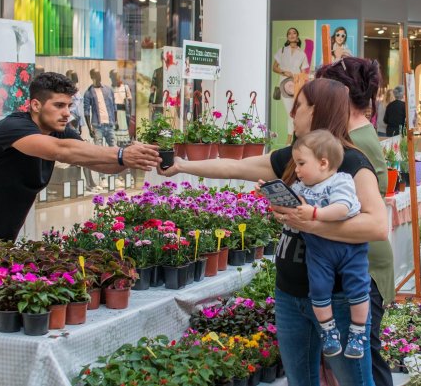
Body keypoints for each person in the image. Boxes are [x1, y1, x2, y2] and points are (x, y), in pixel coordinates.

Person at [160, 78, 386, 386]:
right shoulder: (296, 159)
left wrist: (310, 221)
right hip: (289, 294)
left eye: (298, 106)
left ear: (317, 111)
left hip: (338, 298)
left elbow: (377, 225)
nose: (293, 115)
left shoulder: (351, 163)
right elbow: (234, 167)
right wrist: (183, 166)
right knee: (300, 380)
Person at [0, 73, 161, 248]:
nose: (67, 112)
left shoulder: (61, 130)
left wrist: (133, 159)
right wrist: (121, 153)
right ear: (35, 104)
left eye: (69, 105)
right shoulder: (11, 128)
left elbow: (97, 162)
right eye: (59, 105)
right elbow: (59, 150)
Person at [316, 57, 394, 386]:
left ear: (341, 94)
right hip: (360, 263)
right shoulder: (354, 133)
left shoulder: (352, 142)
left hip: (361, 267)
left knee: (363, 364)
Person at [283, 129, 369, 360]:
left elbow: (341, 208)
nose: (297, 169)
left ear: (323, 163)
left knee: (358, 288)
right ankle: (328, 330)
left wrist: (314, 212)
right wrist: (274, 195)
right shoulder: (301, 188)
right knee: (319, 290)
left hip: (350, 249)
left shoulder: (340, 181)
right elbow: (291, 206)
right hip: (318, 251)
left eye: (301, 163)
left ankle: (358, 332)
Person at [273, 27, 310, 135]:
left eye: (294, 33)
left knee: (295, 112)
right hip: (284, 84)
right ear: (287, 37)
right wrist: (285, 72)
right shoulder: (282, 50)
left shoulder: (302, 54)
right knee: (290, 112)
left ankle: (292, 140)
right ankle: (290, 140)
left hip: (296, 85)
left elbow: (303, 73)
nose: (291, 35)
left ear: (297, 37)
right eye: (289, 33)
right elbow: (274, 67)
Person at [84, 68, 117, 147]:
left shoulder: (109, 89)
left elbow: (114, 106)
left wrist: (116, 121)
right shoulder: (88, 93)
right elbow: (86, 112)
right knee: (99, 150)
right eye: (96, 75)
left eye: (99, 74)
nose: (99, 77)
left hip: (109, 125)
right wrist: (90, 128)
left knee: (114, 148)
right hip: (97, 126)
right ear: (92, 77)